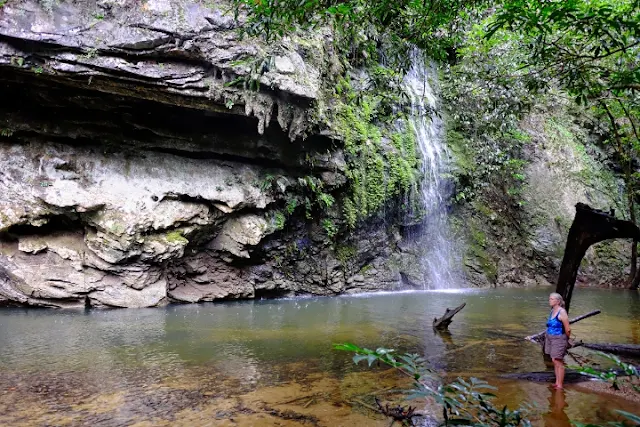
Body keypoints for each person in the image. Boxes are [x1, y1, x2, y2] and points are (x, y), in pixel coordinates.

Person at [545, 293, 571, 389]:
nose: (549, 300)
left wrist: (566, 340)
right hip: (550, 337)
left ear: (558, 301)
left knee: (558, 361)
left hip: (559, 338)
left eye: (551, 299)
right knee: (554, 360)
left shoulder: (562, 312)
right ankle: (557, 382)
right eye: (549, 299)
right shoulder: (552, 311)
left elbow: (568, 329)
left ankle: (560, 385)